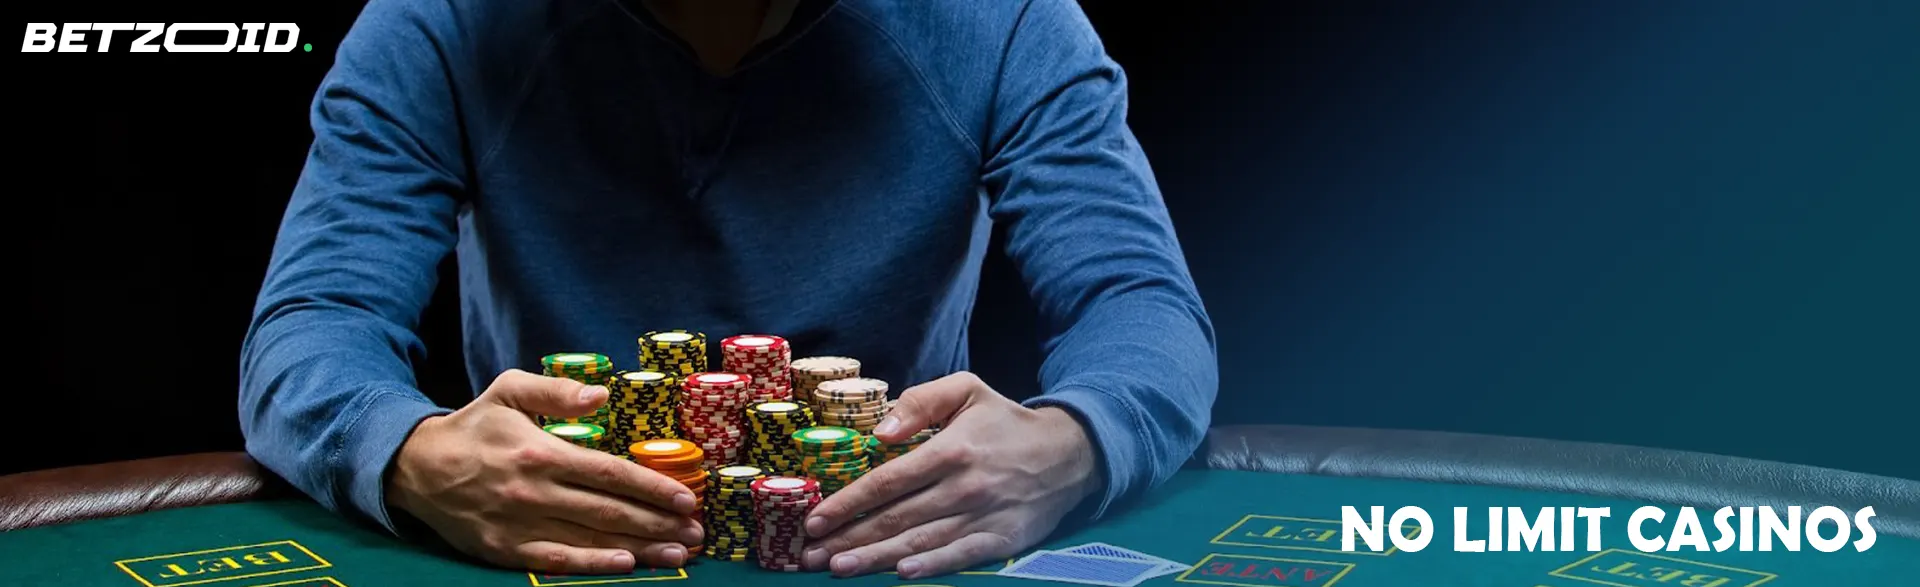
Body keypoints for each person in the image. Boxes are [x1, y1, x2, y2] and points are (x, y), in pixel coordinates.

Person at [238, 0, 1217, 580]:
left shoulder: (1005, 20)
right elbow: (316, 323)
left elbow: (1139, 302)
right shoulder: (436, 21)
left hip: (881, 551)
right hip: (563, 560)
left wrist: (1076, 439)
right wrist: (402, 448)